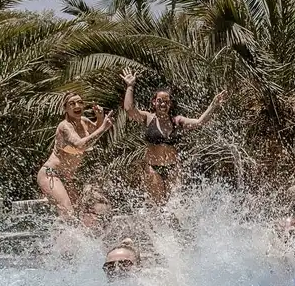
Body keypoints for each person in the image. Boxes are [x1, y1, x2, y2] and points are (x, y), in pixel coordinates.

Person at [121, 69, 227, 204]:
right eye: (159, 101)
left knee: (174, 206)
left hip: (173, 168)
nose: (163, 104)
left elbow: (199, 122)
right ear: (154, 103)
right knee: (159, 206)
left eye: (166, 101)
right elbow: (129, 110)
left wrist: (213, 104)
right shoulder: (148, 118)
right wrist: (130, 86)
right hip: (153, 168)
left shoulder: (177, 120)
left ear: (170, 104)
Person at [37, 92, 114, 221]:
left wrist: (100, 117)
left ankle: (65, 239)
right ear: (65, 108)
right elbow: (80, 145)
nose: (77, 105)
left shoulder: (83, 121)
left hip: (67, 178)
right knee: (68, 212)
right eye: (72, 104)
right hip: (51, 174)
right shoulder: (65, 126)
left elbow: (95, 129)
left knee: (79, 213)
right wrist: (103, 128)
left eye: (79, 102)